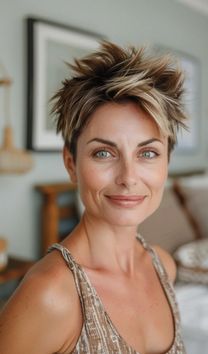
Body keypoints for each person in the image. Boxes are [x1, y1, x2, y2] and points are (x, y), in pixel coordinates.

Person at [0, 41, 188, 353]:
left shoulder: (163, 266)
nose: (128, 177)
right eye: (103, 152)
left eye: (148, 153)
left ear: (167, 163)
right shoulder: (51, 294)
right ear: (71, 163)